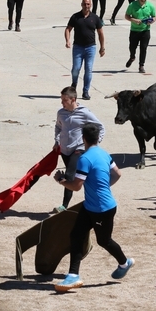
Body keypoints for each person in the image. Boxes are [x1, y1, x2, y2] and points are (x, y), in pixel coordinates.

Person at [53, 122, 133, 292]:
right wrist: (103, 187)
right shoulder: (104, 154)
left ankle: (125, 263)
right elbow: (118, 173)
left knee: (104, 241)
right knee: (76, 235)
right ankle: (73, 275)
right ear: (97, 138)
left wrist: (61, 180)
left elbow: (76, 186)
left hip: (101, 210)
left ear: (83, 138)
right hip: (92, 206)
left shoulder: (85, 158)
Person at [53, 87, 105, 213]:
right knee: (75, 176)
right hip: (64, 150)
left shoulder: (85, 113)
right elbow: (58, 127)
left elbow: (100, 127)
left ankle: (64, 206)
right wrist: (56, 141)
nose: (62, 103)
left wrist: (93, 145)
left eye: (65, 100)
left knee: (69, 175)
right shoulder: (61, 113)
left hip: (78, 149)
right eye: (61, 100)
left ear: (73, 99)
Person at [65, 0, 105, 101]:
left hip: (90, 48)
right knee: (76, 69)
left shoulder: (95, 18)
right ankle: (74, 84)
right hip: (78, 47)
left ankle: (85, 91)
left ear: (90, 5)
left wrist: (102, 47)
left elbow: (100, 33)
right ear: (81, 4)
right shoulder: (75, 17)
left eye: (88, 4)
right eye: (84, 4)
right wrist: (67, 40)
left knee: (88, 70)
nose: (86, 6)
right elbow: (68, 29)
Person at [124, 0, 155, 74]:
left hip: (145, 30)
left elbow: (154, 16)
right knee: (132, 47)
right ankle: (132, 57)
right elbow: (126, 16)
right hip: (134, 30)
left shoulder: (150, 6)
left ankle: (141, 65)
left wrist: (152, 21)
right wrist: (134, 20)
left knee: (143, 48)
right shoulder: (132, 5)